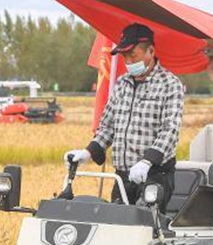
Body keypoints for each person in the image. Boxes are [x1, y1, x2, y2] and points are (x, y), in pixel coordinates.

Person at [65, 23, 184, 208]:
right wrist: (88, 152)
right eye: (124, 56)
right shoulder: (121, 84)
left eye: (133, 55)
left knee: (143, 227)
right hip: (122, 177)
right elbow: (108, 127)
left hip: (154, 176)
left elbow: (170, 130)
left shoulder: (170, 84)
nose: (128, 61)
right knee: (117, 225)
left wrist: (147, 161)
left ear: (150, 51)